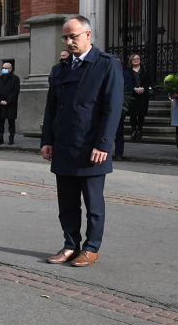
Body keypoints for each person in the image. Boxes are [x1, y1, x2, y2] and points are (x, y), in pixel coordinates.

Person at [41, 15, 123, 268]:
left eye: (73, 36)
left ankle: (91, 248)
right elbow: (52, 107)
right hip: (65, 145)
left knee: (93, 204)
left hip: (92, 147)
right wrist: (47, 140)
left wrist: (104, 144)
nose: (68, 41)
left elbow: (113, 108)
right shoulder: (61, 68)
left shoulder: (107, 64)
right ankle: (70, 245)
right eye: (65, 37)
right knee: (66, 204)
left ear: (88, 34)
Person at [0, 62, 20, 145]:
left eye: (6, 68)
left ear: (10, 69)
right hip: (0, 104)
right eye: (3, 67)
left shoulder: (15, 79)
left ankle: (11, 138)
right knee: (0, 122)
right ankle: (0, 139)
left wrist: (8, 101)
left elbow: (15, 91)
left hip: (10, 104)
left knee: (11, 122)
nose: (4, 69)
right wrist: (0, 100)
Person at [127, 54, 152, 139]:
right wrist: (134, 88)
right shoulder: (128, 71)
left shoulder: (145, 70)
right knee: (133, 114)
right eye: (134, 59)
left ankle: (139, 131)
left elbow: (149, 80)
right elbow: (126, 82)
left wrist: (143, 88)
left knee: (141, 114)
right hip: (133, 95)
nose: (136, 60)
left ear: (140, 60)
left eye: (137, 59)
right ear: (131, 61)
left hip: (143, 95)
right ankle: (134, 130)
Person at [112, 62, 133, 161]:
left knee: (119, 133)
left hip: (119, 107)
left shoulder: (125, 74)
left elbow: (129, 90)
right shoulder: (106, 73)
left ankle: (118, 153)